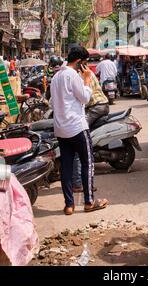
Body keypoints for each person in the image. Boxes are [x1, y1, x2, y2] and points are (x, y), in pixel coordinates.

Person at [50, 46, 108, 215]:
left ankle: (69, 205)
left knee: (66, 167)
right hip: (76, 127)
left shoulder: (56, 76)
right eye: (85, 63)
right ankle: (89, 202)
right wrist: (87, 80)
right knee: (87, 163)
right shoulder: (72, 75)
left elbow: (53, 103)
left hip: (61, 129)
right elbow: (85, 97)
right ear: (79, 62)